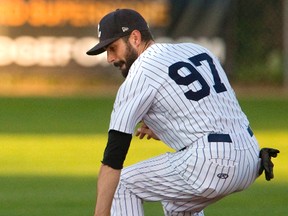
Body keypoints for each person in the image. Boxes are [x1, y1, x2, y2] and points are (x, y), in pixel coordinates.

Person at [86, 8, 279, 216]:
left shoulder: (141, 73)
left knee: (123, 184)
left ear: (134, 37)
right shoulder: (196, 51)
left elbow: (113, 159)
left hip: (212, 162)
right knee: (176, 204)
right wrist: (165, 130)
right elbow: (215, 113)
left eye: (113, 47)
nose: (110, 58)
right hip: (252, 158)